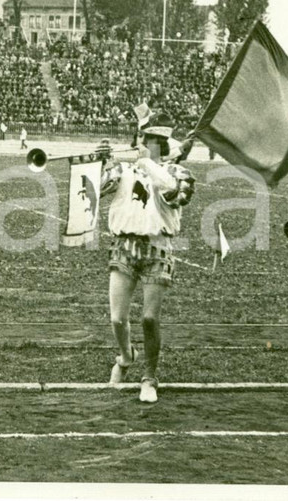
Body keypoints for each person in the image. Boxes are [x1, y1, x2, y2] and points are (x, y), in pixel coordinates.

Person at [97, 112, 195, 403]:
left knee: (150, 318)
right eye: (144, 137)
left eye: (151, 139)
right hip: (124, 244)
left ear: (162, 144)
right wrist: (101, 162)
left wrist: (146, 162)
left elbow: (172, 193)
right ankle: (126, 357)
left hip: (158, 248)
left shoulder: (177, 173)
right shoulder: (125, 169)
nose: (145, 143)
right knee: (117, 319)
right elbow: (99, 189)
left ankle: (149, 377)